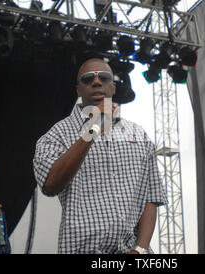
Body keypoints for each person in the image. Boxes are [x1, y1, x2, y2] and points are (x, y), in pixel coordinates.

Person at [33, 58, 167, 254]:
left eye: (104, 78)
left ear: (113, 87)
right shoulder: (57, 134)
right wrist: (93, 128)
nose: (96, 82)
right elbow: (50, 184)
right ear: (78, 90)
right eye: (88, 79)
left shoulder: (138, 134)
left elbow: (152, 196)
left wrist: (140, 249)